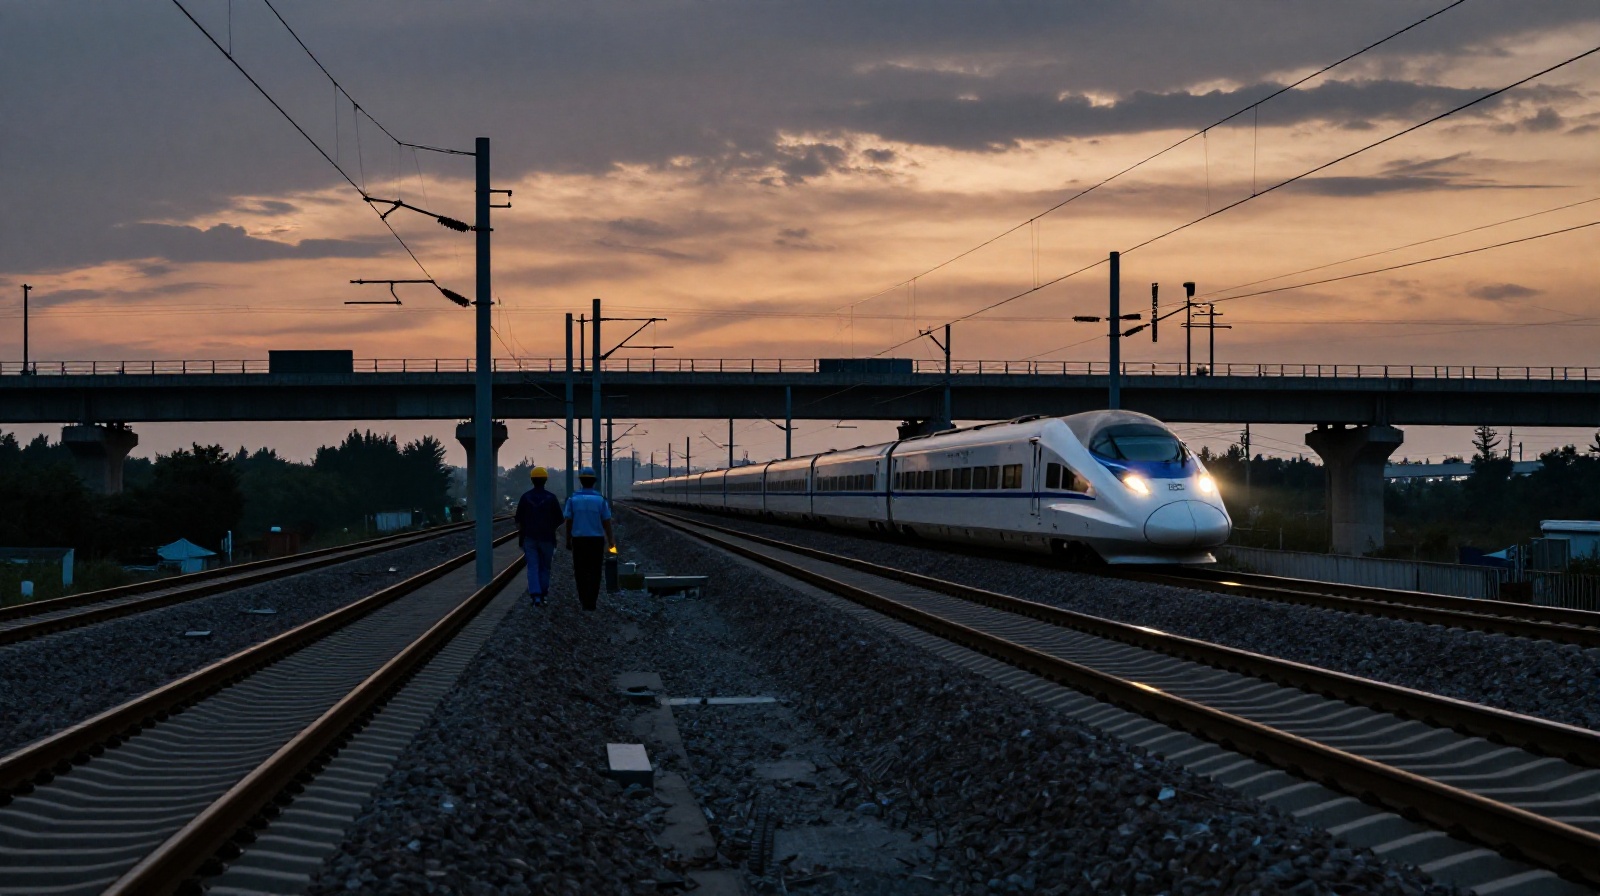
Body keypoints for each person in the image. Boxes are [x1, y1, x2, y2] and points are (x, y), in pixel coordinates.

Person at [563, 466, 615, 611]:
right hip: (596, 541)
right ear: (594, 482)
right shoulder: (600, 500)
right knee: (595, 570)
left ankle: (583, 600)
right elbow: (607, 522)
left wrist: (568, 540)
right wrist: (611, 541)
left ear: (580, 481)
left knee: (580, 570)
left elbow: (568, 522)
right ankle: (592, 601)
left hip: (579, 541)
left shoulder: (573, 499)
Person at [515, 466, 563, 605]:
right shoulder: (551, 498)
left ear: (532, 480)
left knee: (532, 566)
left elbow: (518, 521)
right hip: (548, 538)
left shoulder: (525, 497)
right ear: (545, 480)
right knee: (545, 567)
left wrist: (521, 536)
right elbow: (560, 520)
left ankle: (535, 595)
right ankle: (543, 594)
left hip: (529, 538)